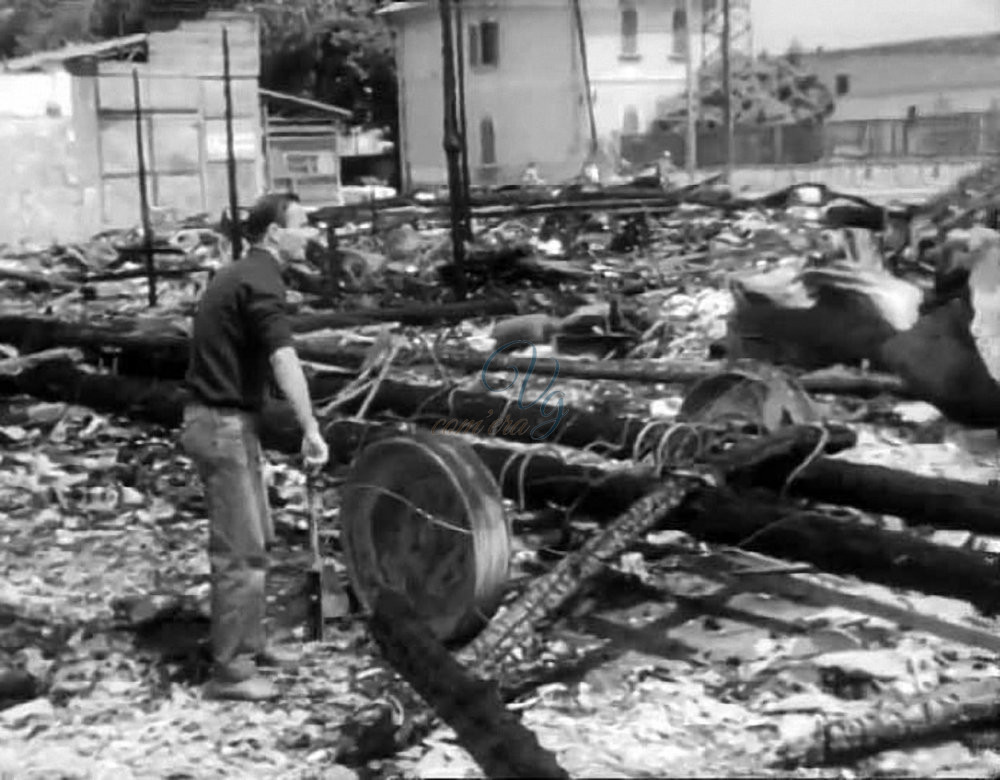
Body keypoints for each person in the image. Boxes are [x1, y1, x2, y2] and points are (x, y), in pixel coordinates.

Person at [181, 193, 330, 701]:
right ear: (273, 234)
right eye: (303, 224)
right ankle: (230, 672)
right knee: (238, 552)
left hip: (229, 422)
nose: (311, 234)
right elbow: (284, 360)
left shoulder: (243, 274)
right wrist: (310, 427)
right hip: (220, 423)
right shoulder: (261, 281)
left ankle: (252, 642)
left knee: (257, 540)